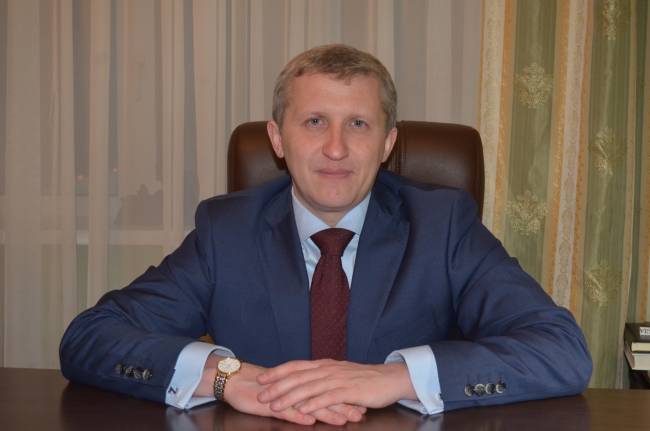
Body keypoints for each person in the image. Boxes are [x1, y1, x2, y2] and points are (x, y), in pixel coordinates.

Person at [60, 44, 592, 426]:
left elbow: (561, 350)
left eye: (358, 124)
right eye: (314, 121)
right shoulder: (227, 231)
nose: (336, 148)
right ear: (277, 139)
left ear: (387, 144)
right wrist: (226, 377)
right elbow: (89, 337)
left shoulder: (443, 224)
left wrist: (395, 379)